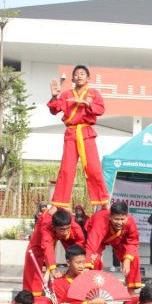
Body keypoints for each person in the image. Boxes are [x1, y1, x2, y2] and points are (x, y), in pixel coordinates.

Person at [47, 65, 109, 210]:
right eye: (76, 74)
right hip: (71, 133)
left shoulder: (93, 93)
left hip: (86, 132)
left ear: (88, 78)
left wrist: (86, 102)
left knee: (94, 168)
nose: (79, 76)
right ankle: (58, 203)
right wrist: (55, 96)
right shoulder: (67, 94)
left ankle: (104, 201)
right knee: (66, 169)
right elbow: (54, 110)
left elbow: (100, 110)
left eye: (82, 74)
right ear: (72, 78)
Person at [23, 207, 85, 297]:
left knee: (77, 257)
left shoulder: (75, 228)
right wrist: (53, 270)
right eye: (62, 230)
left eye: (68, 229)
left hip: (64, 224)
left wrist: (83, 265)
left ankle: (72, 284)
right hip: (42, 232)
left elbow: (80, 246)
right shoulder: (46, 226)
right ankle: (32, 295)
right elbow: (47, 246)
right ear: (54, 227)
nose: (65, 232)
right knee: (34, 257)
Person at [84, 201, 143, 294]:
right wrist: (87, 265)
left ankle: (131, 292)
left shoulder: (130, 221)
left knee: (133, 258)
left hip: (117, 239)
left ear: (127, 217)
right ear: (110, 217)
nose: (119, 222)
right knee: (94, 259)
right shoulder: (101, 221)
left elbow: (132, 241)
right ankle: (93, 290)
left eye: (122, 219)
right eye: (116, 219)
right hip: (98, 239)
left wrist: (127, 260)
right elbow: (92, 244)